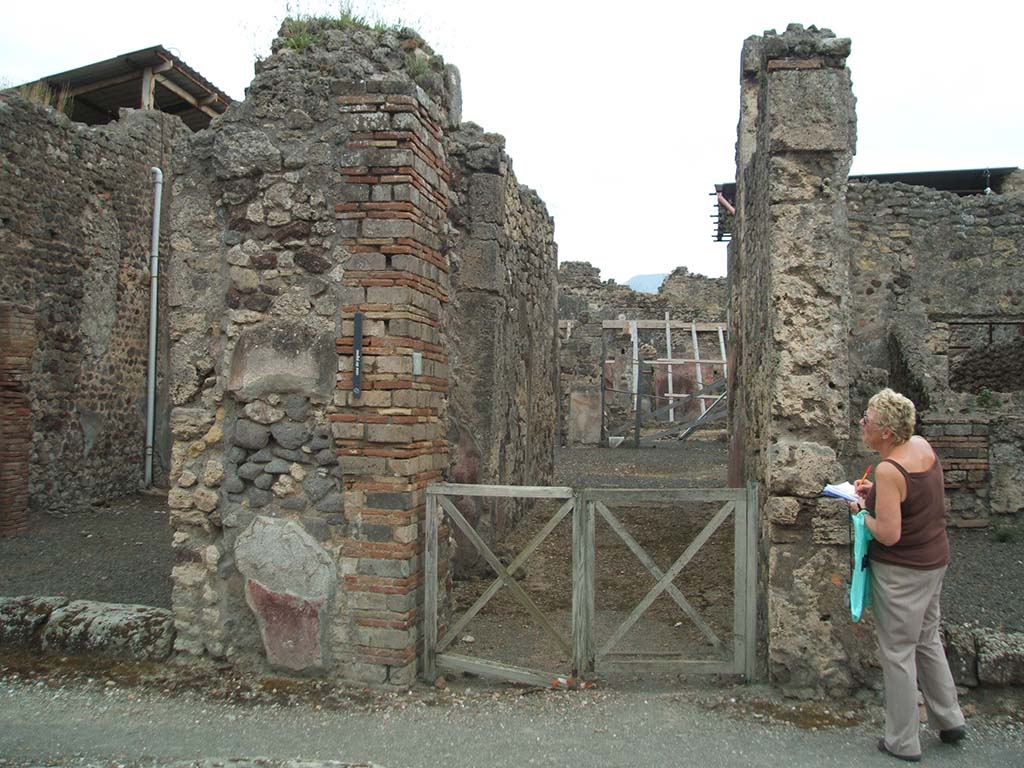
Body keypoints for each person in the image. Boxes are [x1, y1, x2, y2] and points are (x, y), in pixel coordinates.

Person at [851, 388, 966, 762]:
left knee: (897, 651)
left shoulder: (888, 469)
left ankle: (902, 741)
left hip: (902, 572)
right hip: (935, 560)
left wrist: (858, 510)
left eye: (867, 419)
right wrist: (876, 494)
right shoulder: (920, 446)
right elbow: (913, 500)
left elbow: (888, 532)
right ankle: (949, 719)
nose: (861, 424)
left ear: (885, 432)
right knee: (928, 638)